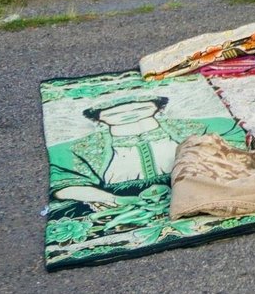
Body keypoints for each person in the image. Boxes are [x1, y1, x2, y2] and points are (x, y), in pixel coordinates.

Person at [48, 93, 230, 220]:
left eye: (141, 107)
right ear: (99, 118)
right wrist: (113, 199)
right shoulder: (81, 148)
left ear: (158, 108)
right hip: (114, 204)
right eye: (114, 113)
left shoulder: (194, 128)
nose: (129, 114)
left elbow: (229, 150)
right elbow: (66, 184)